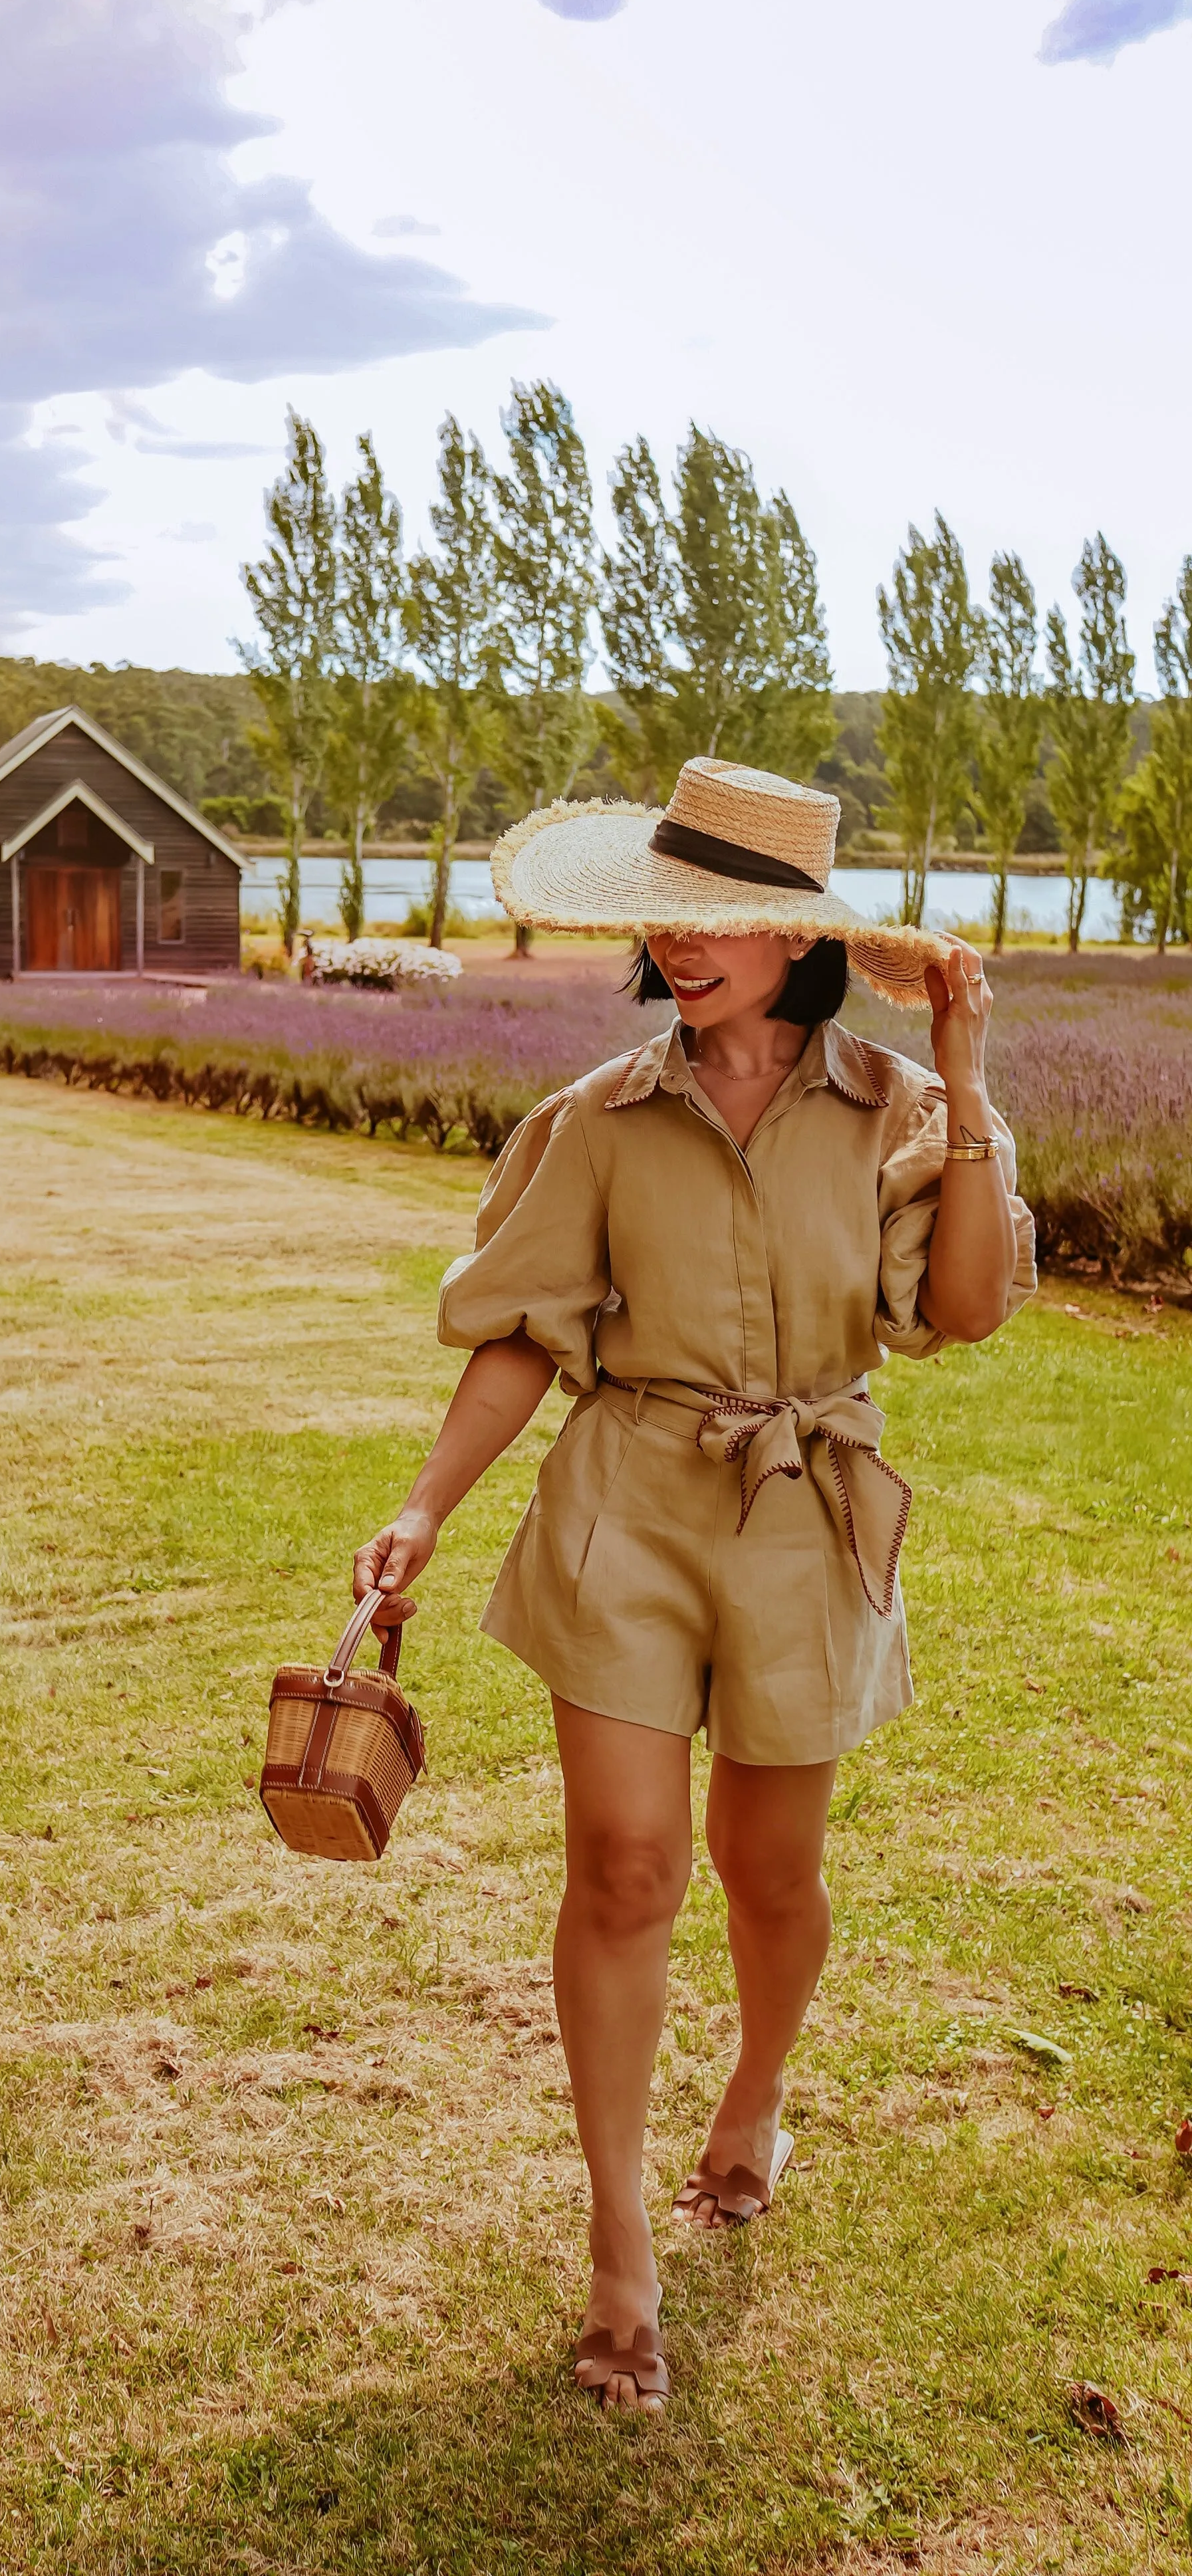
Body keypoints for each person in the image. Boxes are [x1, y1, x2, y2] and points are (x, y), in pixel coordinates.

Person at [353, 758, 1036, 2418]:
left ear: (796, 935)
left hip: (807, 1513)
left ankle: (754, 2097)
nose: (681, 947)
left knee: (766, 1869)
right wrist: (429, 1507)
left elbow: (964, 1311)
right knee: (627, 1864)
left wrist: (961, 1082)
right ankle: (616, 2255)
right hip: (627, 1507)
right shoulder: (596, 1121)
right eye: (665, 920)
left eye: (717, 919)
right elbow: (522, 1332)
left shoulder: (894, 1110)